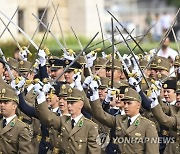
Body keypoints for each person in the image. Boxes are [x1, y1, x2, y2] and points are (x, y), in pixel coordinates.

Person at [88, 77, 159, 154]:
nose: (125, 106)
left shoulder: (147, 125)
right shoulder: (119, 120)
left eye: (129, 103)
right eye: (124, 103)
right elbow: (100, 115)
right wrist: (95, 94)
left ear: (138, 105)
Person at [35, 86, 101, 153]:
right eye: (68, 102)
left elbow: (94, 151)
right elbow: (48, 118)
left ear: (81, 105)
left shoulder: (90, 126)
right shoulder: (63, 120)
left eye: (72, 103)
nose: (69, 105)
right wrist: (41, 97)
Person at [0, 87, 32, 153]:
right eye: (0, 102)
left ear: (14, 106)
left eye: (6, 102)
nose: (1, 105)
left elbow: (25, 152)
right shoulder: (0, 123)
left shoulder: (21, 127)